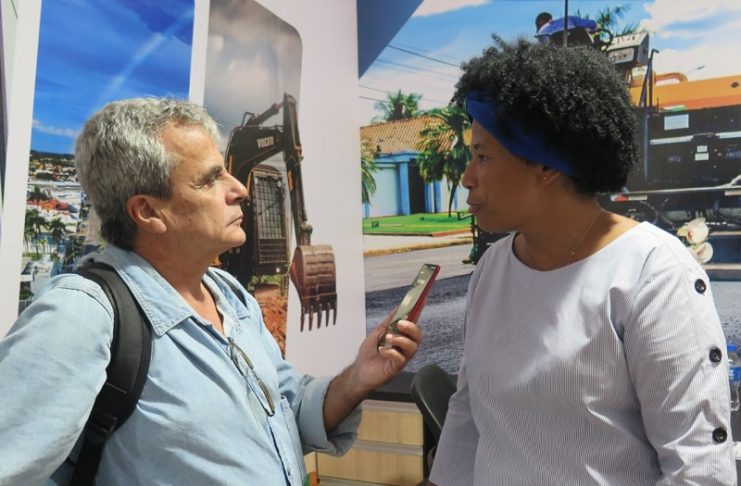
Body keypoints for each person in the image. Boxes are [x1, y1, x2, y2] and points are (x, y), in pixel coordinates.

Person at [0, 98, 422, 485]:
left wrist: (357, 378)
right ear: (148, 211)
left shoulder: (230, 296)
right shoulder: (81, 315)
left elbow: (287, 412)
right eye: (210, 179)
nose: (239, 189)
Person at [428, 37, 735, 485]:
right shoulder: (493, 269)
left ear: (546, 166)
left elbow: (698, 465)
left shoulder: (652, 273)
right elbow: (469, 416)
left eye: (482, 157)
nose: (467, 178)